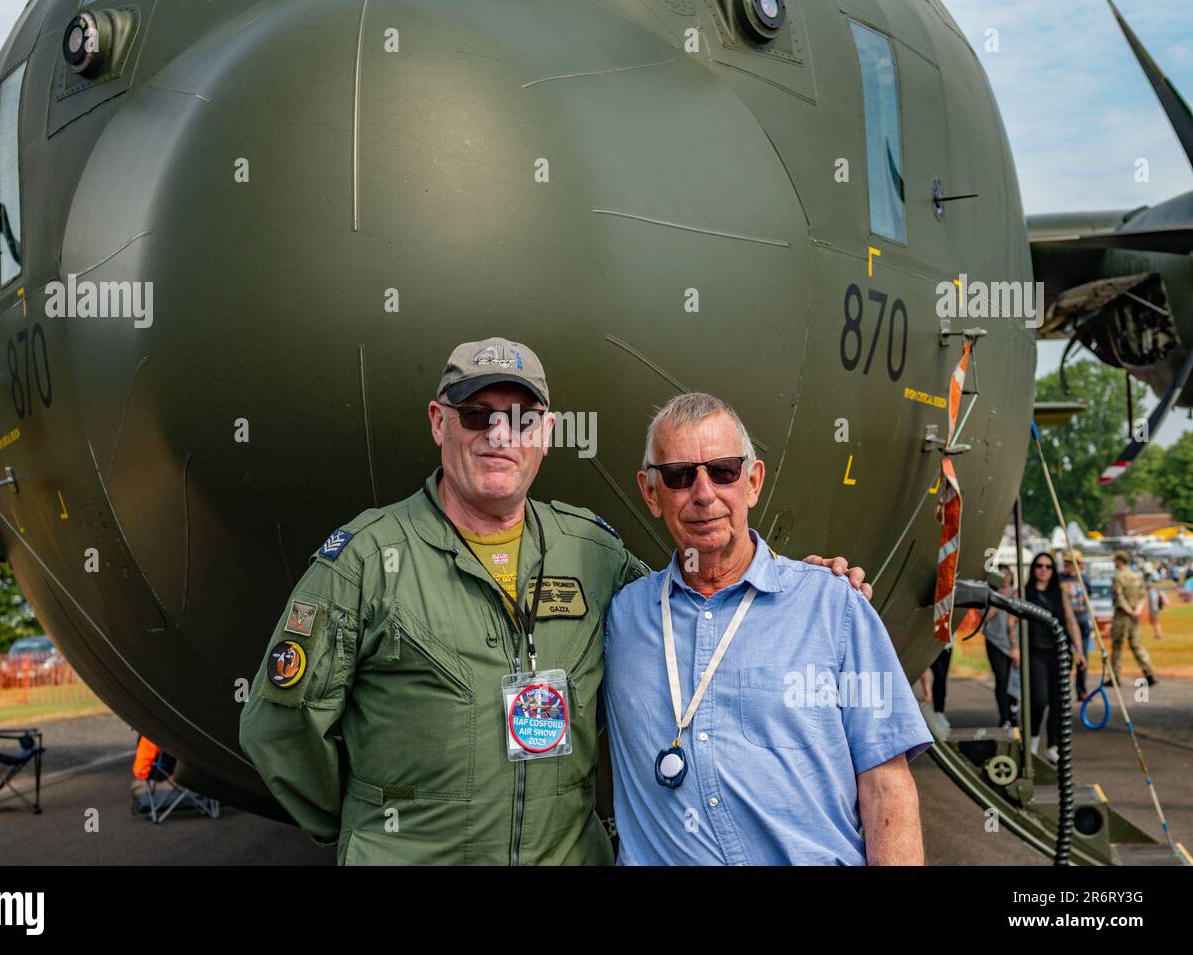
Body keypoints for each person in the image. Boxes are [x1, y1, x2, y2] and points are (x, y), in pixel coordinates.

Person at [238, 340, 866, 865]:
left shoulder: (590, 551)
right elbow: (281, 727)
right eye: (477, 415)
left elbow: (695, 605)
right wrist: (371, 825)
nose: (499, 436)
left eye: (522, 418)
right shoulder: (367, 559)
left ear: (548, 433)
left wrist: (800, 585)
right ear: (438, 422)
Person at [602, 393, 932, 865]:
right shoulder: (622, 617)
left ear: (753, 482)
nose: (703, 493)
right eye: (678, 476)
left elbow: (886, 787)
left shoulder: (834, 607)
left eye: (723, 471)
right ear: (651, 492)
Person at [1023, 552, 1085, 764]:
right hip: (1035, 653)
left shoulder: (1060, 593)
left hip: (1058, 652)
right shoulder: (1024, 593)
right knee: (1039, 700)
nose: (1043, 570)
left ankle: (1052, 746)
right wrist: (1013, 647)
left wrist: (1079, 649)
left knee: (1059, 702)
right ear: (1033, 569)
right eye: (1039, 566)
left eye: (1048, 567)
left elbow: (1070, 621)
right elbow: (1012, 624)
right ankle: (1031, 743)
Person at [1109, 551, 1157, 688]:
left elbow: (1119, 597)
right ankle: (1149, 673)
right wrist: (1137, 610)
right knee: (1137, 645)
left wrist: (1129, 610)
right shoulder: (1137, 576)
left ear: (1119, 561)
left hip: (1122, 615)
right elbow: (1143, 595)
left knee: (1117, 646)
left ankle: (1115, 676)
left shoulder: (1118, 577)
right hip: (1135, 615)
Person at [983, 568, 1018, 727]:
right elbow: (984, 617)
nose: (1005, 578)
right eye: (1001, 575)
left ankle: (1013, 711)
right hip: (995, 641)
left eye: (1008, 574)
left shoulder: (1017, 593)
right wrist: (1000, 599)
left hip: (1014, 643)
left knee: (1015, 679)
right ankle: (1004, 717)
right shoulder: (990, 594)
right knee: (1002, 678)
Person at [1059, 551, 1093, 700]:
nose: (1068, 566)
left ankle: (1081, 690)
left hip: (1082, 621)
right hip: (1066, 624)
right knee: (1065, 658)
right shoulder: (1059, 578)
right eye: (1066, 562)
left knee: (1083, 657)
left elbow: (1088, 596)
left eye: (1071, 562)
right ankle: (1063, 691)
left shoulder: (1084, 578)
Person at [1146, 569, 1166, 640]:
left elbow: (1154, 601)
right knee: (1155, 622)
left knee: (1156, 621)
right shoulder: (1153, 591)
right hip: (1155, 608)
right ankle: (1157, 634)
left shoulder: (1152, 592)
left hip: (1154, 609)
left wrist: (1154, 609)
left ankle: (1158, 634)